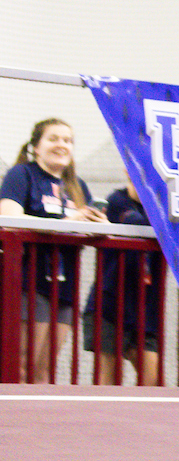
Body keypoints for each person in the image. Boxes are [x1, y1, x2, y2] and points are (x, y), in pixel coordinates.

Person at [0, 118, 106, 383]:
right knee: (20, 366)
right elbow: (9, 217)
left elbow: (86, 227)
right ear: (36, 146)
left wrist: (101, 226)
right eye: (54, 138)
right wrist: (68, 221)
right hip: (28, 282)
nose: (62, 145)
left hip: (65, 286)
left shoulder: (77, 186)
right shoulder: (22, 174)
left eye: (68, 140)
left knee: (45, 370)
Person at [81, 181, 165, 385]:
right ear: (128, 173)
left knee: (153, 381)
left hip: (145, 310)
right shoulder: (117, 201)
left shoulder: (162, 204)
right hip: (109, 305)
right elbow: (141, 224)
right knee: (107, 380)